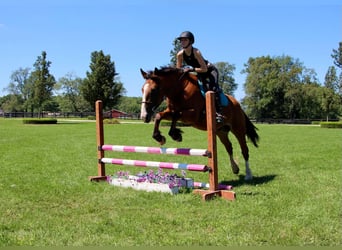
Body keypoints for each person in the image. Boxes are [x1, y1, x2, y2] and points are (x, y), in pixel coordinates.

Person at [176, 31, 224, 123]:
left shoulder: (196, 52)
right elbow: (178, 70)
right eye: (181, 40)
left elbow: (204, 69)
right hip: (200, 73)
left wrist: (191, 69)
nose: (182, 42)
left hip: (210, 71)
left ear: (191, 41)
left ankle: (219, 112)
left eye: (185, 40)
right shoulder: (180, 54)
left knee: (212, 88)